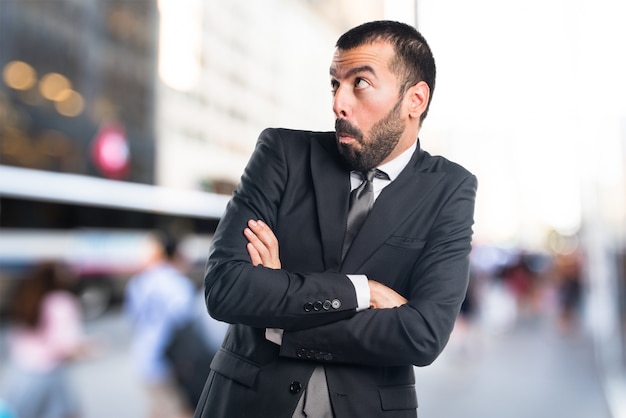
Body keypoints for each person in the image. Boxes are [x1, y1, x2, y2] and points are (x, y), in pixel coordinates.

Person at [194, 20, 477, 418]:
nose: (338, 102)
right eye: (334, 83)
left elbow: (422, 334)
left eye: (359, 82)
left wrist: (280, 316)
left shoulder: (450, 188)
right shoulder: (282, 153)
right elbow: (226, 288)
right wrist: (363, 292)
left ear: (415, 100)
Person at [2, 261, 96, 418]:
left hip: (22, 372)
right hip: (49, 374)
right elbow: (66, 346)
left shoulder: (26, 297)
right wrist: (90, 348)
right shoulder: (61, 301)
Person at [125, 232, 199, 418]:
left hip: (143, 356)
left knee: (158, 408)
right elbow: (185, 325)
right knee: (181, 410)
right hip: (169, 362)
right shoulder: (178, 283)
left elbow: (132, 319)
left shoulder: (138, 282)